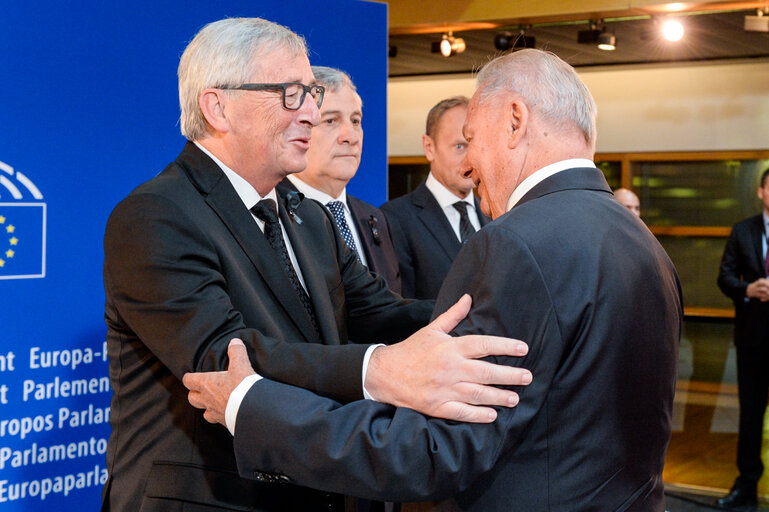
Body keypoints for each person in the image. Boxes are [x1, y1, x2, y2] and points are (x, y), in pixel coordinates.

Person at [184, 48, 683, 511]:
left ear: (514, 120)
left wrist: (256, 410)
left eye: (472, 138)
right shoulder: (644, 242)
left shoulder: (513, 243)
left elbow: (435, 449)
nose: (467, 164)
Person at [102, 18, 532, 512]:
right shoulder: (156, 215)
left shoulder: (306, 214)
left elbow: (380, 311)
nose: (311, 111)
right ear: (217, 106)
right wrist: (380, 369)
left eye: (311, 92)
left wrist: (500, 314)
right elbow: (227, 362)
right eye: (290, 93)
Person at [278, 66, 402, 294]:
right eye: (330, 121)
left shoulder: (376, 218)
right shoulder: (272, 213)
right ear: (298, 129)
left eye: (356, 121)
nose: (350, 137)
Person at [380, 97, 491, 300]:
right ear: (429, 147)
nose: (470, 159)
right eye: (459, 146)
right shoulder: (394, 219)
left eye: (474, 144)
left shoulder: (496, 214)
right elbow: (399, 310)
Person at [715, 167, 769, 511]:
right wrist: (747, 289)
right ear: (762, 192)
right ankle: (746, 487)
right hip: (753, 340)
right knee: (750, 417)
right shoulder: (743, 230)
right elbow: (724, 277)